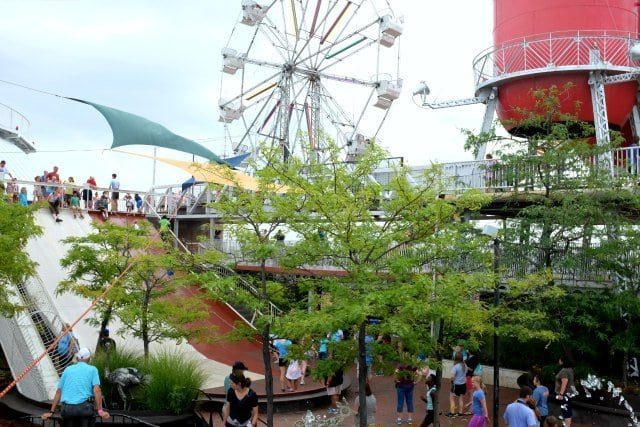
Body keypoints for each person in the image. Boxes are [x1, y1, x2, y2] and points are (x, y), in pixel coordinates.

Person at [42, 348, 110, 426]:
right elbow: (97, 390)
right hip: (84, 409)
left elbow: (59, 391)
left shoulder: (67, 369)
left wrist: (51, 412)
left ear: (77, 358)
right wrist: (100, 411)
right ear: (89, 359)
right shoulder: (93, 370)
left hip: (67, 410)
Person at [555, 355, 575, 427]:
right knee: (568, 410)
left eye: (559, 359)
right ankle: (567, 425)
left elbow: (564, 382)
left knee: (565, 410)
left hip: (566, 394)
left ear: (563, 361)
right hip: (570, 393)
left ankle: (567, 425)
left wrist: (561, 394)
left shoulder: (564, 371)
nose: (559, 361)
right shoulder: (570, 369)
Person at [449, 352, 467, 416]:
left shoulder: (455, 367)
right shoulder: (465, 365)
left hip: (456, 385)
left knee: (452, 398)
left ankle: (452, 413)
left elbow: (452, 377)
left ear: (455, 358)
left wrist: (450, 381)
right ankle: (460, 412)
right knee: (461, 399)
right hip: (463, 385)